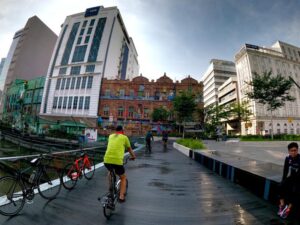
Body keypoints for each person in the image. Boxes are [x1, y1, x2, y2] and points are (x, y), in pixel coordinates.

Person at [103, 125, 136, 202]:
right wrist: (133, 157)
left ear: (115, 131)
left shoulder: (111, 136)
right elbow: (129, 149)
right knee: (123, 177)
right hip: (117, 161)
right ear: (122, 131)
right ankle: (121, 196)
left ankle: (111, 187)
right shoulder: (124, 137)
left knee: (110, 171)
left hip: (107, 160)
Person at [277, 142, 300, 219]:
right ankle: (282, 205)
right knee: (280, 185)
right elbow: (285, 171)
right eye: (291, 150)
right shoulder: (288, 158)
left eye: (295, 150)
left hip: (298, 179)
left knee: (295, 190)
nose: (293, 152)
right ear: (289, 151)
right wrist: (283, 181)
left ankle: (288, 209)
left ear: (297, 150)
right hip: (292, 177)